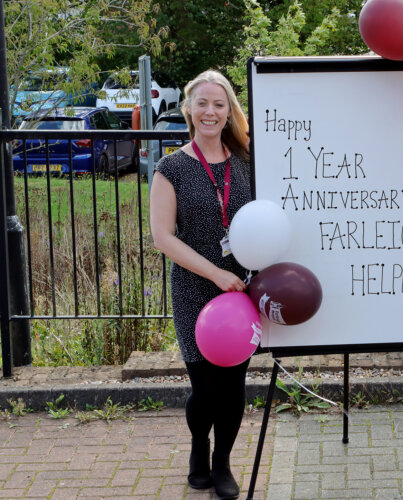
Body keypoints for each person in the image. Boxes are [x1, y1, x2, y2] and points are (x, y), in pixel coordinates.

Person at [149, 70, 252, 500]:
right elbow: (163, 238)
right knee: (205, 388)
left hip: (242, 292)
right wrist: (216, 274)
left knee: (233, 387)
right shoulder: (170, 167)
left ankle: (222, 463)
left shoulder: (246, 162)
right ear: (188, 109)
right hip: (195, 289)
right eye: (203, 103)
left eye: (219, 104)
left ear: (229, 111)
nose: (210, 111)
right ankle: (199, 446)